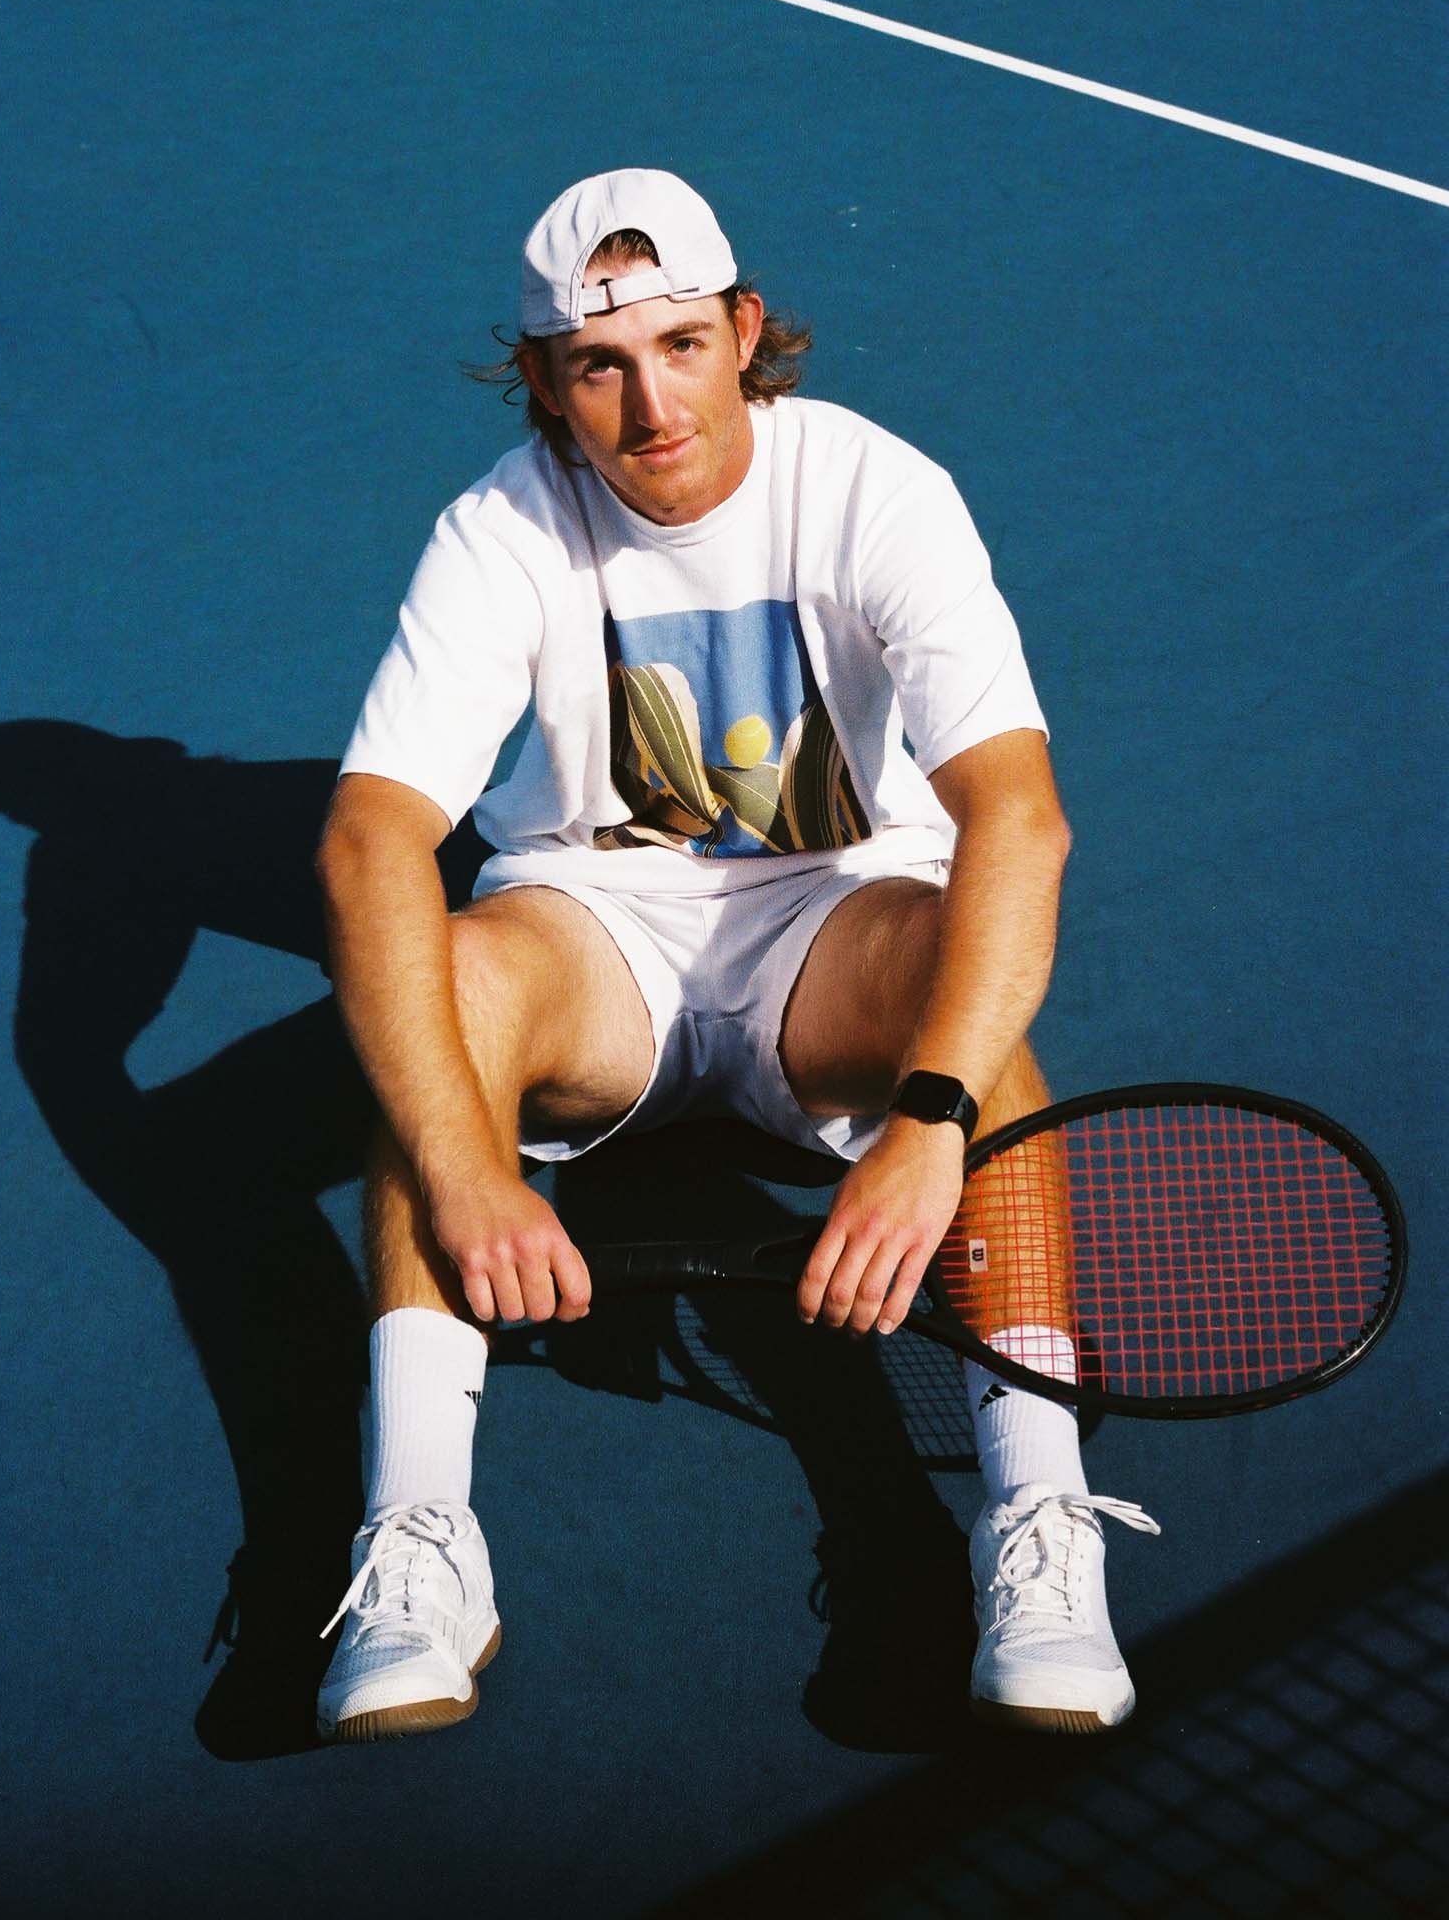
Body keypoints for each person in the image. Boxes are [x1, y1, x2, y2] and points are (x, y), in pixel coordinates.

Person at [314, 168, 1158, 1744]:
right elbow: (368, 843)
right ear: (544, 381)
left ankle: (1039, 1523)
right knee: (448, 986)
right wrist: (467, 1168)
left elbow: (1018, 822)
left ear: (746, 330)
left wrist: (930, 1121)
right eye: (600, 366)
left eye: (682, 345)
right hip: (597, 935)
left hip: (836, 924)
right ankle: (421, 1536)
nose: (652, 406)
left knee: (973, 1012)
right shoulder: (501, 526)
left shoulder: (876, 489)